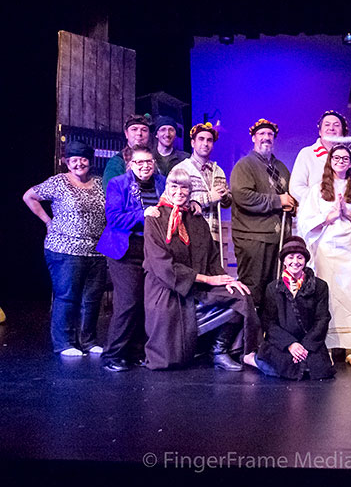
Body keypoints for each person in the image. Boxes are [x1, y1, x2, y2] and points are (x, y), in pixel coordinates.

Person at [142, 168, 257, 371]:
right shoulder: (155, 218)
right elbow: (162, 266)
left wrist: (227, 280)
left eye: (184, 188)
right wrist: (206, 279)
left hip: (198, 286)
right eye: (174, 186)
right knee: (170, 358)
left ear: (190, 191)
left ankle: (220, 351)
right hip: (167, 289)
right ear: (166, 188)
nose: (179, 192)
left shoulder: (196, 219)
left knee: (240, 295)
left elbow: (212, 258)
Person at [23, 140, 106, 356]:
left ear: (90, 161)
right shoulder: (58, 182)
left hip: (96, 250)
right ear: (67, 163)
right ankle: (65, 343)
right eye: (73, 160)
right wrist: (47, 221)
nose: (79, 164)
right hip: (65, 249)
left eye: (83, 159)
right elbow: (29, 196)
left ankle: (88, 341)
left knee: (92, 298)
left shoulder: (100, 183)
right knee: (68, 296)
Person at [297, 144, 351, 367]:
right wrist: (328, 217)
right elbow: (305, 220)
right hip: (327, 249)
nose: (341, 161)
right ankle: (329, 346)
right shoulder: (317, 190)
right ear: (330, 162)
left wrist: (348, 213)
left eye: (345, 158)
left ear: (350, 163)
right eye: (337, 158)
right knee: (329, 295)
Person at [96, 145, 166, 371]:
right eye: (139, 162)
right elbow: (114, 218)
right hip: (124, 249)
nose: (145, 166)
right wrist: (142, 214)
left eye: (149, 161)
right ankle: (112, 355)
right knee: (128, 302)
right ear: (130, 165)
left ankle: (136, 352)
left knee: (146, 302)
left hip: (150, 249)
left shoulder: (161, 182)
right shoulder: (119, 184)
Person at [230, 118, 295, 331]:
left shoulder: (281, 167)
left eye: (270, 135)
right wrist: (278, 201)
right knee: (253, 290)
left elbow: (290, 197)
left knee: (273, 292)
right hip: (253, 239)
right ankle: (246, 339)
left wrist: (292, 205)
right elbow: (243, 196)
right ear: (253, 138)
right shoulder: (245, 165)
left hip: (278, 239)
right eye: (261, 134)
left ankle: (269, 337)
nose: (266, 138)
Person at [242, 236, 335, 380]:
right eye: (290, 257)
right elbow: (269, 322)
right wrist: (290, 344)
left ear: (305, 261)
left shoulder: (320, 286)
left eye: (300, 257)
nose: (295, 262)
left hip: (309, 342)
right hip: (282, 343)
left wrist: (304, 347)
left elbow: (322, 319)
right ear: (284, 261)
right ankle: (252, 359)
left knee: (317, 370)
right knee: (279, 369)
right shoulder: (273, 288)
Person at [171, 122, 231, 241]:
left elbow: (227, 203)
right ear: (193, 143)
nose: (205, 143)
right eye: (201, 139)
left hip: (213, 236)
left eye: (209, 140)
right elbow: (173, 203)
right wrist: (209, 198)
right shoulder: (181, 169)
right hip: (190, 235)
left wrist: (225, 196)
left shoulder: (218, 171)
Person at [290, 110, 351, 204]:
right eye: (327, 125)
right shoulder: (307, 153)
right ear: (320, 131)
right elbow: (296, 188)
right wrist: (321, 202)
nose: (331, 128)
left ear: (342, 132)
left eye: (336, 125)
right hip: (314, 210)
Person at [102, 114, 151, 190]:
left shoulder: (154, 161)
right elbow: (111, 191)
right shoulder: (117, 162)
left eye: (144, 130)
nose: (139, 133)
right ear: (126, 134)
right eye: (134, 129)